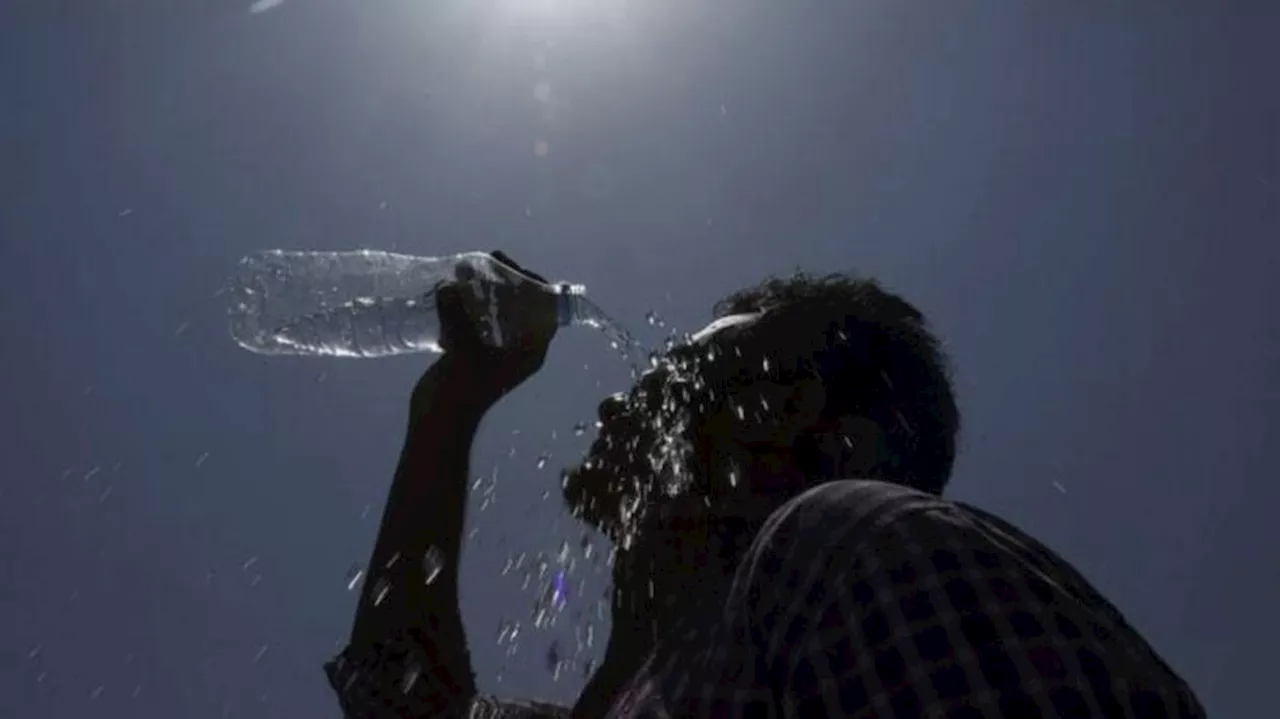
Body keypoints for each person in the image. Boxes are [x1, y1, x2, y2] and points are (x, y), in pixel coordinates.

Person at [325, 253, 1204, 718]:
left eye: (681, 373)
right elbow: (403, 699)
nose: (620, 395)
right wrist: (450, 404)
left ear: (811, 427)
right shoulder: (642, 692)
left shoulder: (850, 548)